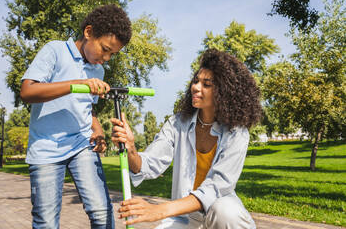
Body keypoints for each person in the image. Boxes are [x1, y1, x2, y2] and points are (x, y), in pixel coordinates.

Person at [111, 48, 262, 229]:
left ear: (224, 92)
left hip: (220, 216)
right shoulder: (177, 123)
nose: (196, 87)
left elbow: (217, 187)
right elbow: (149, 164)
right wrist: (131, 148)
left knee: (225, 210)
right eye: (196, 81)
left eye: (207, 84)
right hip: (184, 218)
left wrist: (159, 210)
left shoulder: (237, 132)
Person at [20, 4, 132, 229]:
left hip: (81, 145)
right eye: (105, 49)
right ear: (88, 32)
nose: (107, 58)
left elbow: (86, 108)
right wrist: (77, 84)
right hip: (47, 148)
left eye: (113, 54)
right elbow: (28, 91)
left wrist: (97, 129)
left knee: (102, 212)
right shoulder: (55, 50)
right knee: (47, 222)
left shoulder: (97, 70)